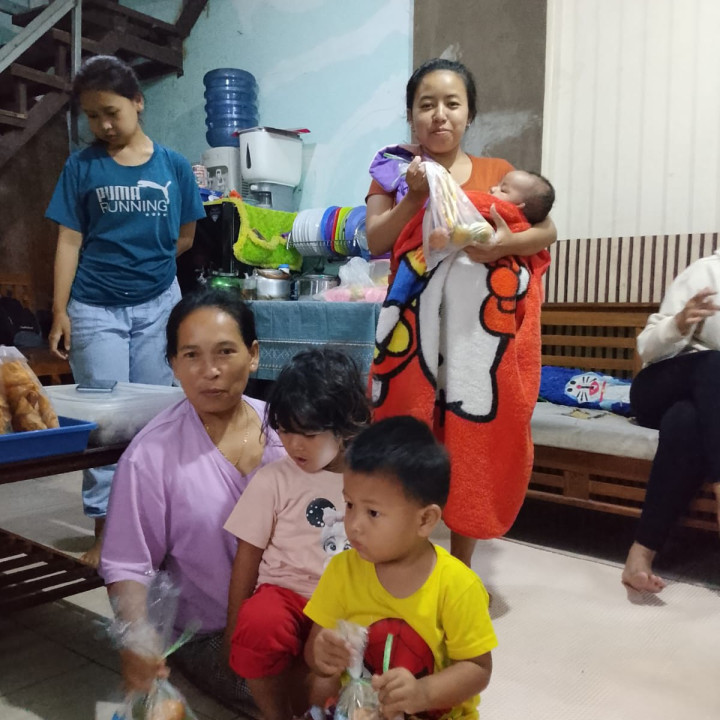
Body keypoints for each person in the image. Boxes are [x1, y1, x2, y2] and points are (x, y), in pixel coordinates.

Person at [367, 58, 556, 566]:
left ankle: (462, 564)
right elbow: (377, 239)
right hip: (416, 329)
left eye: (452, 103)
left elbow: (546, 232)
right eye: (426, 104)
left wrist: (501, 246)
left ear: (470, 113)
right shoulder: (392, 168)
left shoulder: (498, 174)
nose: (439, 115)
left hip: (475, 337)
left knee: (471, 435)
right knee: (411, 437)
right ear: (411, 114)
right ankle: (408, 558)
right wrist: (415, 199)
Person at [45, 55, 206, 567]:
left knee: (156, 421)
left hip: (159, 306)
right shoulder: (82, 166)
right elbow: (69, 240)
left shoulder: (174, 166)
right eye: (92, 116)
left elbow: (186, 236)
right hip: (95, 308)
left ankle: (153, 529)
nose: (103, 125)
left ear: (138, 102)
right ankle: (105, 534)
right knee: (103, 427)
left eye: (111, 112)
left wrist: (147, 267)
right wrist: (59, 310)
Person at [99, 290, 286, 712]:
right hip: (213, 633)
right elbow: (128, 562)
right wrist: (137, 637)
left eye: (225, 352)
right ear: (173, 364)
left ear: (254, 355)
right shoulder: (151, 456)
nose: (210, 371)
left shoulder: (288, 430)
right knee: (294, 696)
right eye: (191, 355)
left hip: (294, 613)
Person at [303, 416, 497, 719]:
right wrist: (322, 654)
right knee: (317, 686)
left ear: (425, 520)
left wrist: (424, 693)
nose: (354, 525)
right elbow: (314, 651)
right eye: (350, 505)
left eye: (373, 512)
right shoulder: (342, 570)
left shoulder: (457, 585)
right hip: (360, 710)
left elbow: (478, 669)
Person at [223, 347, 372, 720]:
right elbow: (247, 555)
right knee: (257, 626)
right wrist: (234, 624)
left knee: (325, 681)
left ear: (346, 426)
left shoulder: (373, 482)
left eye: (308, 433)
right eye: (285, 430)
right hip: (283, 594)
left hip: (344, 602)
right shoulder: (273, 479)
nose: (294, 445)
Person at [621, 252, 720, 593]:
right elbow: (645, 348)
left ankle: (640, 553)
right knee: (715, 364)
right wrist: (678, 323)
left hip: (704, 406)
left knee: (686, 420)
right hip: (658, 387)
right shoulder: (706, 272)